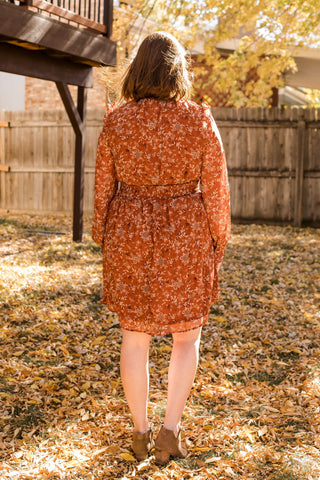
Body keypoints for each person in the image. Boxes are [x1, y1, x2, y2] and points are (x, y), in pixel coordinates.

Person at [92, 31, 231, 465]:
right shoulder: (198, 119)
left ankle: (140, 433)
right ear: (177, 69)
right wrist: (217, 239)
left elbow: (102, 188)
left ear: (138, 67)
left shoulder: (117, 121)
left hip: (129, 233)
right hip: (186, 236)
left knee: (134, 340)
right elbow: (216, 190)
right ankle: (170, 432)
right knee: (185, 339)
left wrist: (103, 234)